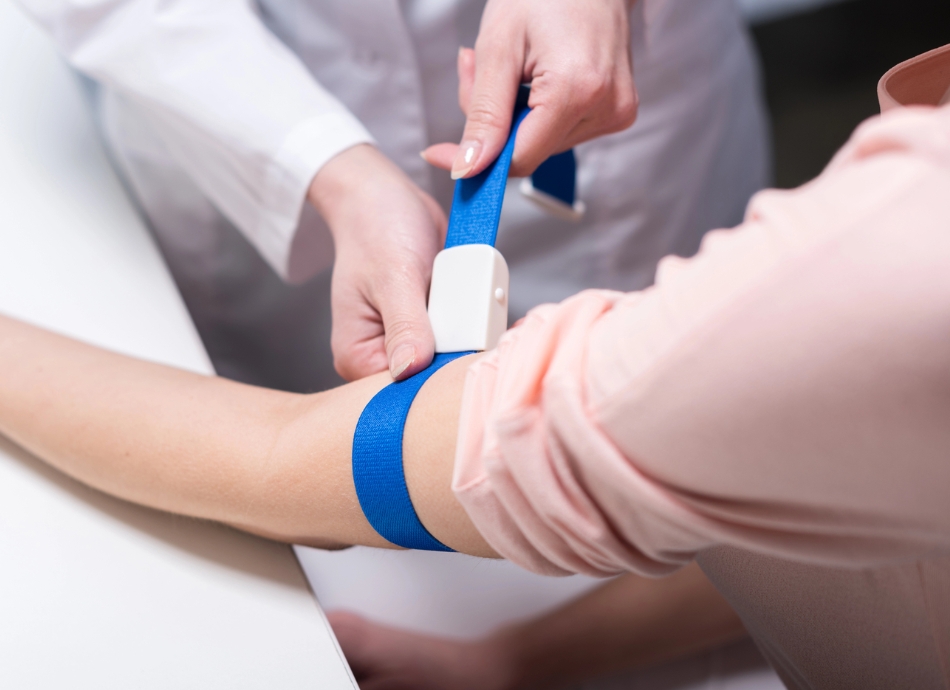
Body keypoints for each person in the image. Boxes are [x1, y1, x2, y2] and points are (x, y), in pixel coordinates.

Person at [2, 45, 950, 688]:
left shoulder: (876, 278)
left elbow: (276, 459)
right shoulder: (846, 376)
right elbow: (818, 495)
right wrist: (515, 659)